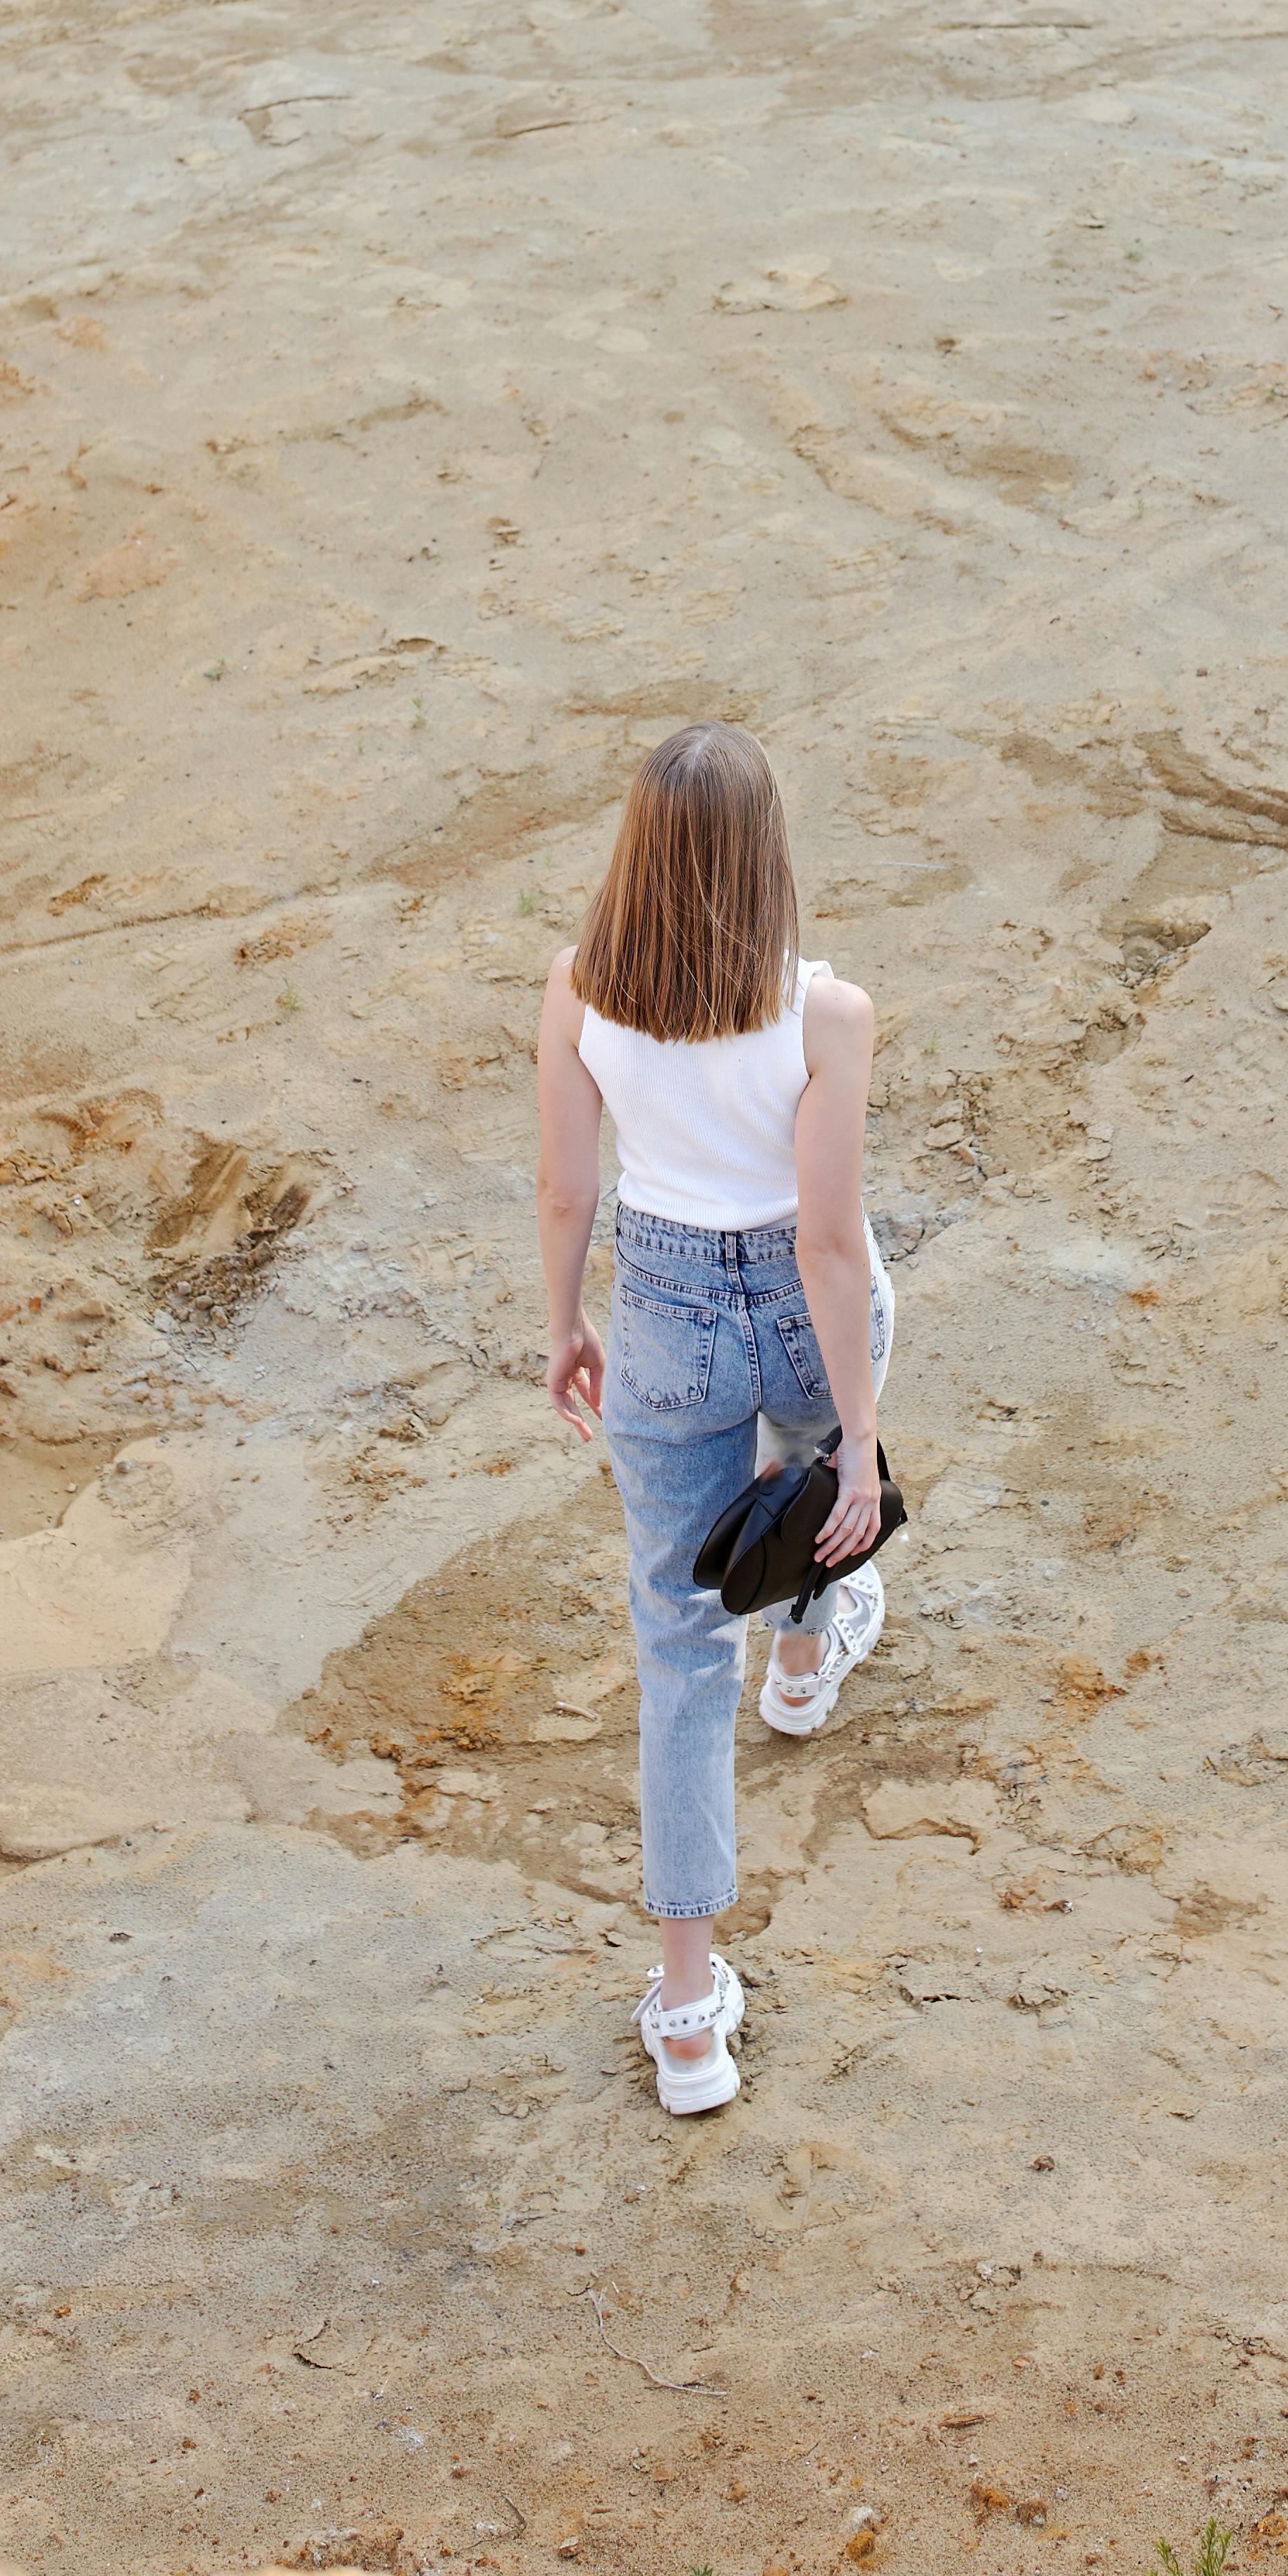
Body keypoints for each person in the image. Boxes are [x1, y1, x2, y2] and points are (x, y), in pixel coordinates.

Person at [534, 721, 891, 2118]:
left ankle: (688, 2013)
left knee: (678, 1650)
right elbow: (828, 1241)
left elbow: (569, 1191)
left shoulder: (576, 990)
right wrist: (857, 1439)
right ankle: (804, 1658)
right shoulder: (824, 1014)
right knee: (820, 1456)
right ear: (765, 860)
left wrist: (567, 1324)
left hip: (664, 1315)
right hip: (794, 1308)